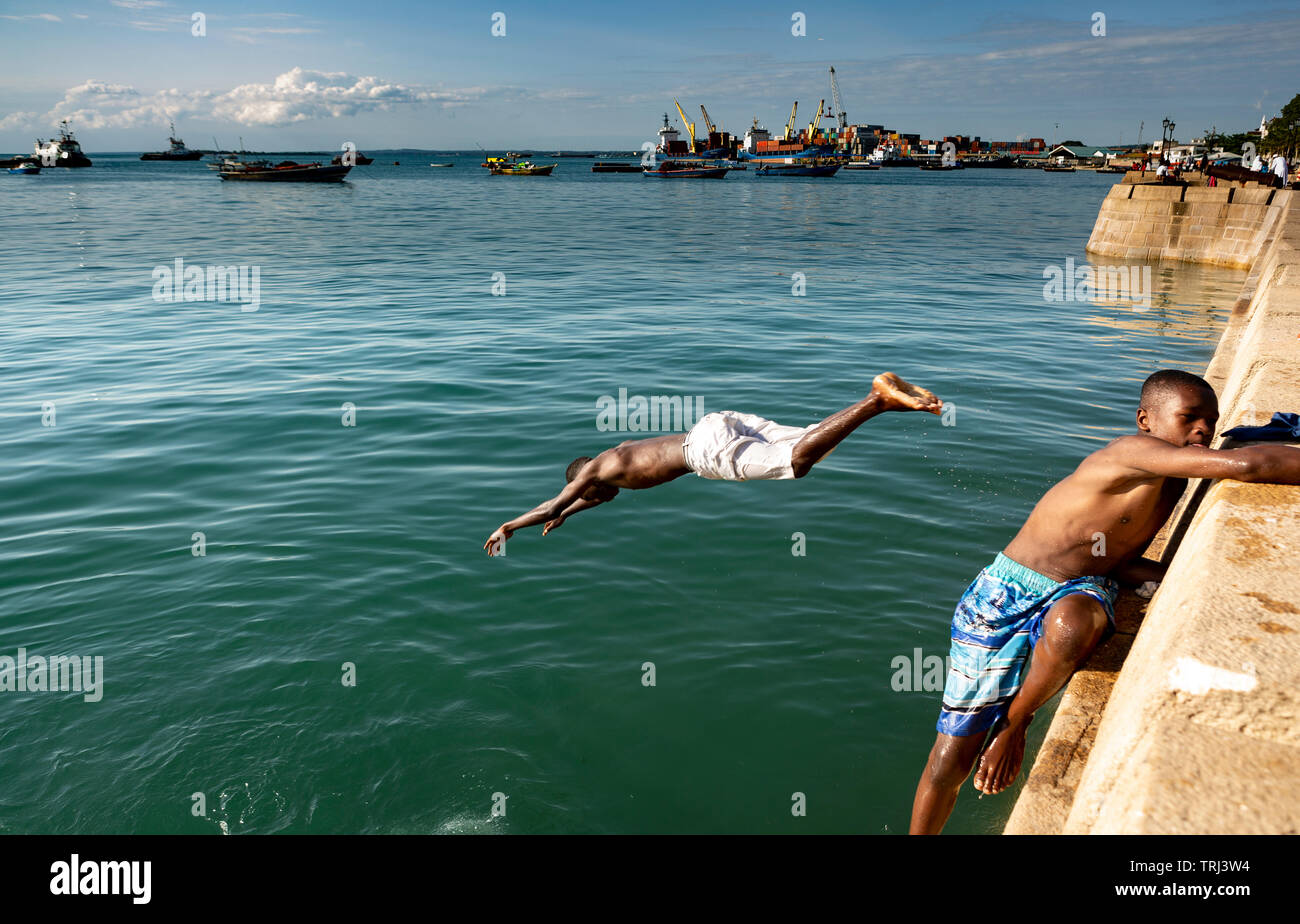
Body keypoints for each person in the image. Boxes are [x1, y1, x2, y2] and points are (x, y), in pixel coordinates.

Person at [909, 369, 1300, 834]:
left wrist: (1173, 575)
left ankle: (1015, 723)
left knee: (1073, 624)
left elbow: (1116, 559)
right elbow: (1248, 466)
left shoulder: (1173, 478)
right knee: (952, 759)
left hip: (1084, 585)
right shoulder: (1131, 453)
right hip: (1003, 594)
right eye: (1189, 418)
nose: (1202, 431)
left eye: (1210, 422)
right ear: (1145, 420)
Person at [484, 373, 943, 555]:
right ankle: (898, 402)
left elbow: (550, 504)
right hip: (713, 424)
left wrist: (511, 525)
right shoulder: (610, 460)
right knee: (813, 443)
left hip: (702, 453)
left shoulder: (592, 475)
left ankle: (877, 400)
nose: (602, 500)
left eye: (591, 497)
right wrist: (568, 513)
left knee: (794, 463)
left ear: (587, 484)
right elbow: (585, 501)